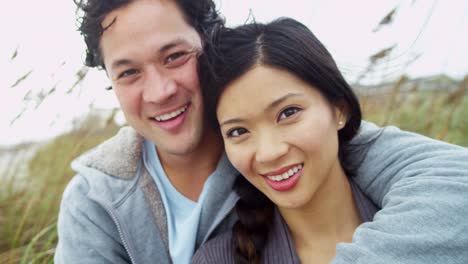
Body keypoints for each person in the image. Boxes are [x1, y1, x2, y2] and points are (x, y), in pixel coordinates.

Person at [55, 0, 468, 263]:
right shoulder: (96, 201)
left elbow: (453, 181)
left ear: (211, 44)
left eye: (175, 55)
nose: (160, 91)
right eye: (128, 72)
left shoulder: (313, 146)